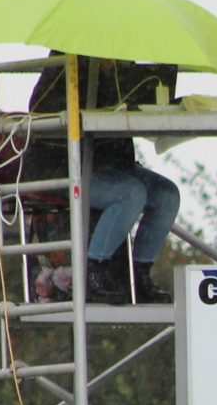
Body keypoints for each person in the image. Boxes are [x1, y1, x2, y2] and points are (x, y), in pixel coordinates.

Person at [23, 55, 178, 304]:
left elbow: (132, 105)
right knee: (130, 193)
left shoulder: (122, 64)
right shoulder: (67, 62)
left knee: (166, 195)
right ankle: (92, 272)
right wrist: (96, 76)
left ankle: (139, 276)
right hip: (59, 163)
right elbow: (41, 108)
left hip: (110, 163)